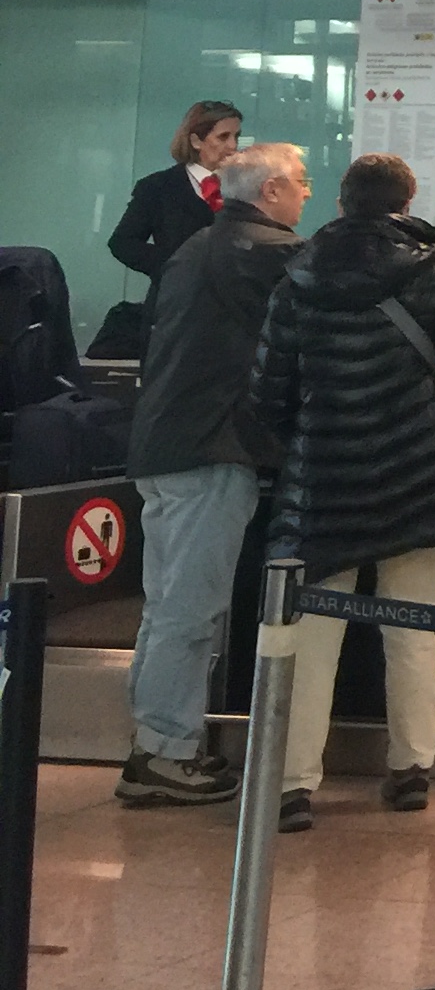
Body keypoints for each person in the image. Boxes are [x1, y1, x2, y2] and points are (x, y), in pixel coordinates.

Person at [256, 153, 435, 833]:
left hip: (324, 477)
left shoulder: (298, 274)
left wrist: (301, 442)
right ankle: (410, 769)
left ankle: (293, 784)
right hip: (418, 471)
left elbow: (267, 388)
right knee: (412, 626)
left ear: (342, 202)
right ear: (406, 200)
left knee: (311, 635)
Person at [116, 141, 307, 808]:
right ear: (272, 190)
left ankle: (154, 741)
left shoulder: (197, 247)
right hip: (211, 447)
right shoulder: (267, 251)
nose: (307, 193)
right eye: (302, 182)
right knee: (191, 611)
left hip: (164, 444)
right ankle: (165, 752)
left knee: (166, 606)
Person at [100, 99, 242, 355]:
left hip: (231, 312)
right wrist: (173, 266)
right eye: (223, 137)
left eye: (236, 136)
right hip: (175, 309)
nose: (232, 146)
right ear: (196, 141)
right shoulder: (158, 187)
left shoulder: (243, 188)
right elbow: (123, 242)